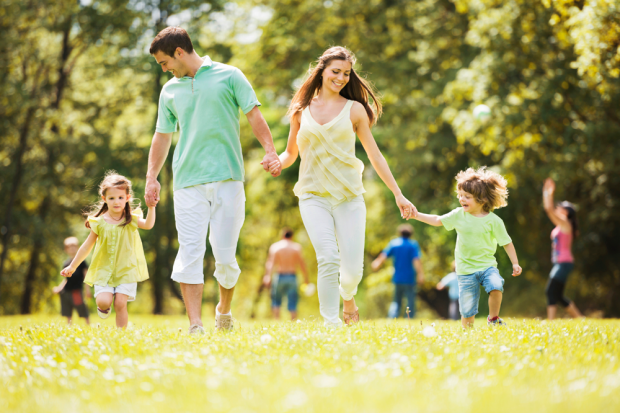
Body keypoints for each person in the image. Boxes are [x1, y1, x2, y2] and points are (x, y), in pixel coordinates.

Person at [146, 27, 281, 334]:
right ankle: (195, 325)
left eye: (164, 62)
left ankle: (224, 309)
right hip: (187, 181)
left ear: (179, 52)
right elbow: (162, 136)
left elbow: (253, 114)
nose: (164, 69)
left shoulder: (229, 75)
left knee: (224, 255)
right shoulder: (170, 91)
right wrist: (151, 177)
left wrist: (271, 151)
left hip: (228, 178)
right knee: (190, 250)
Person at [272, 46, 416, 327]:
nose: (340, 78)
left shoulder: (355, 110)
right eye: (335, 71)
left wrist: (398, 194)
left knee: (352, 271)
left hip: (349, 197)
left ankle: (347, 295)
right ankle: (331, 322)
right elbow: (290, 154)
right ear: (322, 71)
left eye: (346, 74)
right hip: (312, 196)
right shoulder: (301, 111)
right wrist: (277, 162)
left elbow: (375, 156)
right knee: (327, 257)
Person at [413, 167, 522, 328]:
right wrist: (416, 214)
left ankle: (493, 319)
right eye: (460, 195)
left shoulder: (494, 221)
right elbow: (437, 220)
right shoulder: (458, 215)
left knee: (496, 285)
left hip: (487, 266)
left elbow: (506, 242)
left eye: (467, 197)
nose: (462, 199)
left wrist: (515, 263)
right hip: (465, 270)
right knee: (467, 312)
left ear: (482, 199)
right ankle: (467, 333)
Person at [61, 172, 155, 329]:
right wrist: (72, 266)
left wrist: (152, 207)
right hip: (104, 270)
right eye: (111, 198)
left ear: (127, 197)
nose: (116, 201)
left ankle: (121, 333)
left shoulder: (131, 219)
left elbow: (148, 224)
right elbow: (86, 246)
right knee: (104, 301)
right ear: (104, 199)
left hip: (126, 270)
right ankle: (104, 307)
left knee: (120, 303)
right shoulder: (99, 222)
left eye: (120, 197)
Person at [543, 178, 584, 320]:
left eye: (561, 207)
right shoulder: (562, 225)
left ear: (566, 213)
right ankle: (580, 318)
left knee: (550, 291)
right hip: (561, 263)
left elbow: (548, 209)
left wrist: (549, 192)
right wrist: (545, 192)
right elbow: (548, 208)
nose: (557, 208)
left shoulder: (566, 223)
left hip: (564, 262)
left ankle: (550, 322)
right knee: (558, 295)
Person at [371, 224, 424, 319]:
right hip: (409, 278)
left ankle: (392, 317)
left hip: (397, 278)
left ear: (399, 233)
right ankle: (409, 318)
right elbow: (416, 261)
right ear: (411, 234)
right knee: (410, 301)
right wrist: (420, 274)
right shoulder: (413, 245)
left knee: (396, 301)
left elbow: (383, 256)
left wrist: (376, 263)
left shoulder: (394, 244)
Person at [263, 228, 310, 320]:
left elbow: (270, 263)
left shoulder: (275, 247)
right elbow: (302, 264)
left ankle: (277, 320)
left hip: (279, 276)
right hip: (292, 277)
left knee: (276, 299)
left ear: (282, 236)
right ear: (292, 236)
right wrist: (306, 278)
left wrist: (267, 276)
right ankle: (293, 320)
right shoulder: (296, 247)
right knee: (293, 299)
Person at [53, 237, 92, 325]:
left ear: (78, 247)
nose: (72, 248)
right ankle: (69, 325)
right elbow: (66, 280)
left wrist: (87, 290)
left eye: (74, 246)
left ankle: (88, 324)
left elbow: (86, 276)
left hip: (76, 290)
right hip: (66, 291)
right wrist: (59, 288)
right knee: (67, 309)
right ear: (66, 249)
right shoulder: (66, 263)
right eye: (69, 247)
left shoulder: (82, 262)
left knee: (81, 307)